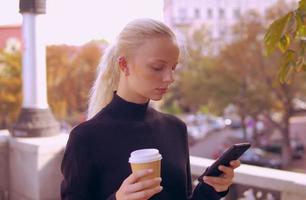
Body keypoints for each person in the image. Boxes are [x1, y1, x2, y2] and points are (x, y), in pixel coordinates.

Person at [60, 18, 241, 200]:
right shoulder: (85, 138)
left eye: (173, 67)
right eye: (158, 67)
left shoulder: (176, 128)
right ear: (124, 65)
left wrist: (212, 189)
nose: (169, 77)